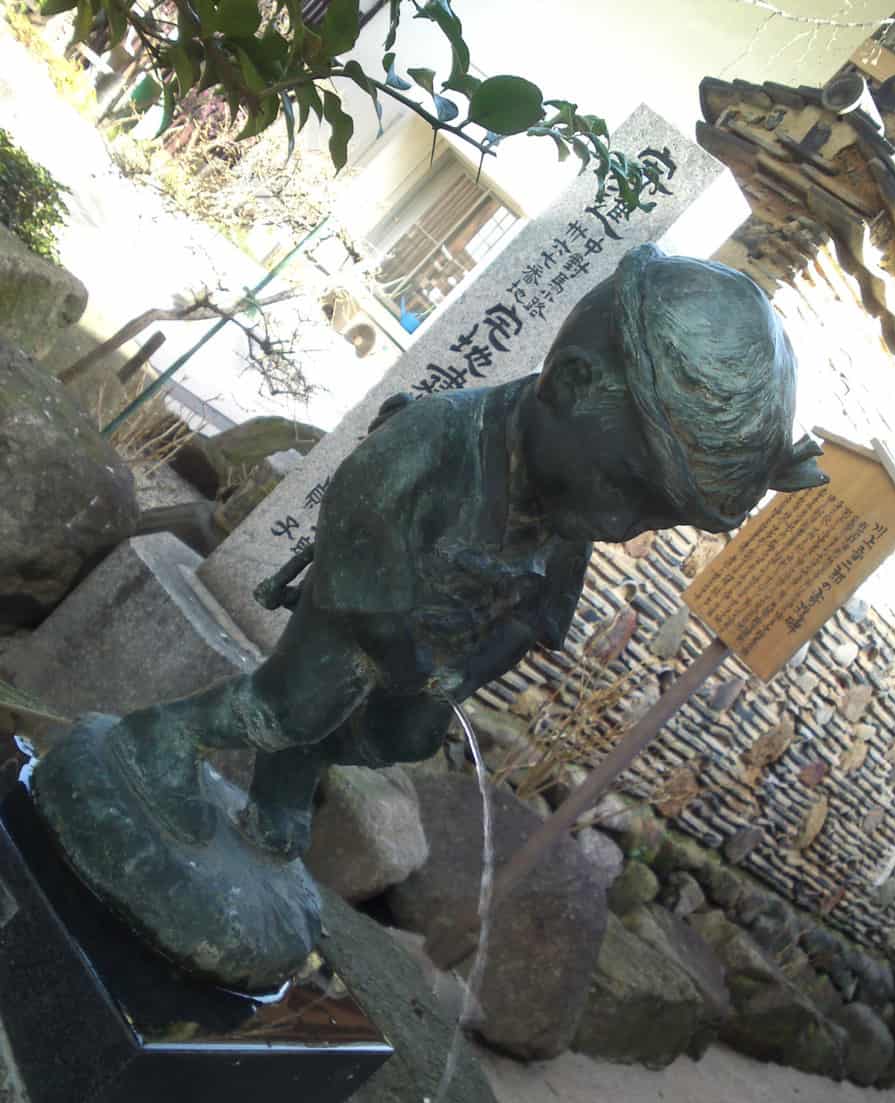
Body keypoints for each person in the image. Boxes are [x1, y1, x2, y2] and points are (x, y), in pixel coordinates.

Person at [109, 244, 828, 860]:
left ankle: (286, 779)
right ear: (575, 382)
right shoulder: (436, 438)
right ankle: (160, 737)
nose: (621, 526)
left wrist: (452, 682)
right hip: (361, 618)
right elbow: (366, 538)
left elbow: (532, 620)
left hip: (429, 660)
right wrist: (395, 649)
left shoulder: (568, 521)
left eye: (651, 518)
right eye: (627, 491)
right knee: (294, 703)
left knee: (397, 734)